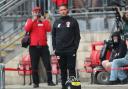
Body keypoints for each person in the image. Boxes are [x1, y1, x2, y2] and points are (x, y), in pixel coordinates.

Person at [24, 7, 55, 88]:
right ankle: (36, 83)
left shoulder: (44, 21)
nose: (36, 13)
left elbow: (49, 29)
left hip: (44, 46)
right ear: (32, 12)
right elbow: (27, 29)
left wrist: (44, 20)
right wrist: (33, 19)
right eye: (35, 12)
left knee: (47, 64)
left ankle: (50, 81)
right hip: (33, 47)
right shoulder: (29, 21)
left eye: (38, 12)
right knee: (34, 65)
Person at [52, 4, 81, 89]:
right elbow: (53, 36)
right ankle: (63, 86)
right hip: (60, 51)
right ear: (59, 11)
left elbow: (77, 36)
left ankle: (72, 87)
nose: (63, 11)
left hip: (70, 50)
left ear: (67, 10)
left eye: (64, 9)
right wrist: (54, 48)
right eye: (61, 10)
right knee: (63, 70)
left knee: (71, 69)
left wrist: (75, 48)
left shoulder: (73, 21)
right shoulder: (56, 22)